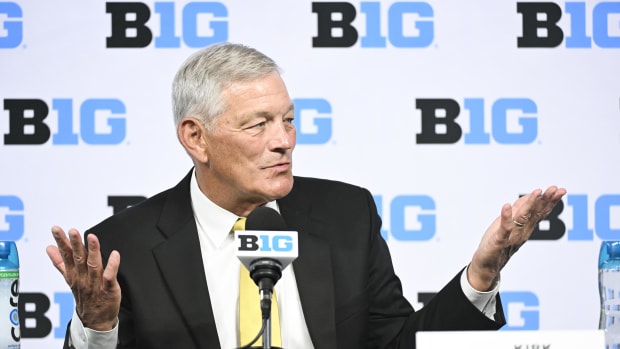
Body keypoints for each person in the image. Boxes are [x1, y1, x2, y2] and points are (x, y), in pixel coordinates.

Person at [46, 42, 566, 349]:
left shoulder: (345, 216)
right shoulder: (119, 248)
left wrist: (481, 276)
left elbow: (398, 346)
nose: (284, 140)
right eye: (258, 125)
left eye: (289, 120)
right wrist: (97, 325)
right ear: (195, 138)